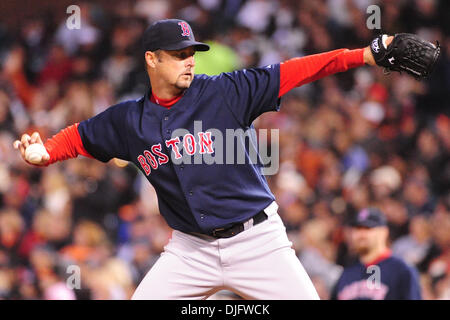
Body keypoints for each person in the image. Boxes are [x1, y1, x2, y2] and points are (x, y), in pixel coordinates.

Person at [13, 19, 391, 299]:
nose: (189, 62)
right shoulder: (129, 120)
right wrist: (44, 152)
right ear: (151, 60)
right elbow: (79, 136)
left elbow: (295, 71)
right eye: (179, 55)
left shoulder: (225, 92)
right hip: (190, 250)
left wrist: (363, 55)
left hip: (256, 240)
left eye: (192, 53)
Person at [330, 207, 422, 300]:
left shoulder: (401, 270)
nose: (361, 235)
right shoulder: (347, 273)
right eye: (357, 229)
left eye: (367, 228)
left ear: (384, 232)